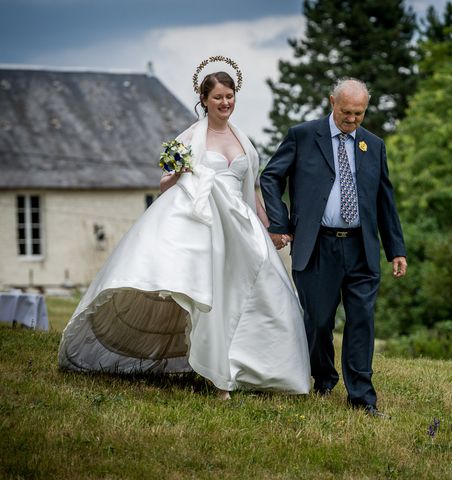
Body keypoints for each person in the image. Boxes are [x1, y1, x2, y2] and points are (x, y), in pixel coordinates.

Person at [58, 62, 311, 398]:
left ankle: (263, 370)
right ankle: (218, 374)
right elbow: (165, 185)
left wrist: (270, 227)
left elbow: (251, 191)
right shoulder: (190, 137)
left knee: (263, 290)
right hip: (205, 224)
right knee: (213, 295)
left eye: (229, 96)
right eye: (218, 97)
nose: (225, 103)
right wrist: (180, 171)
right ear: (204, 100)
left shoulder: (244, 141)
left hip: (240, 225)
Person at [260, 78, 407, 416]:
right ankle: (324, 378)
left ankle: (362, 397)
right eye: (346, 111)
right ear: (331, 102)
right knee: (319, 322)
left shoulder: (373, 145)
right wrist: (279, 224)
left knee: (361, 321)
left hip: (361, 248)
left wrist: (395, 248)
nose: (352, 119)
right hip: (317, 246)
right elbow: (271, 176)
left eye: (359, 113)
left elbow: (385, 200)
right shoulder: (303, 135)